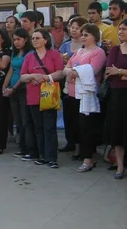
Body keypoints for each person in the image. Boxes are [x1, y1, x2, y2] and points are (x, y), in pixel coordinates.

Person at [63, 23, 106, 172]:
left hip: (86, 95)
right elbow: (66, 66)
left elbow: (93, 70)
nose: (83, 37)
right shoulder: (80, 51)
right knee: (75, 125)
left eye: (86, 35)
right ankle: (80, 151)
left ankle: (89, 158)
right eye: (82, 35)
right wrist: (69, 70)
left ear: (95, 36)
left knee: (86, 127)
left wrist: (73, 71)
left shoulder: (98, 52)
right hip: (73, 93)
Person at [20, 29, 64, 168]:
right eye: (33, 38)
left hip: (49, 96)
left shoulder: (54, 54)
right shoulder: (29, 57)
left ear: (45, 40)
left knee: (49, 127)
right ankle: (42, 155)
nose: (34, 40)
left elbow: (61, 72)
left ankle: (52, 157)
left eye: (37, 38)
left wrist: (45, 77)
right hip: (33, 96)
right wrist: (33, 76)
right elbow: (23, 76)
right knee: (38, 127)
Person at [2, 28, 33, 158]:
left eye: (19, 39)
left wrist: (13, 88)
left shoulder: (30, 54)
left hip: (23, 89)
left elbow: (24, 74)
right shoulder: (15, 54)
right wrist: (4, 86)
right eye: (14, 39)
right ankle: (22, 147)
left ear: (25, 39)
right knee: (18, 120)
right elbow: (11, 70)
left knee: (26, 120)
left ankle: (29, 149)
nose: (16, 42)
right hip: (12, 90)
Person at [59, 16, 86, 153]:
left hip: (81, 83)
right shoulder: (65, 45)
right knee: (68, 115)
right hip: (66, 82)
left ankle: (81, 145)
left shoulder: (86, 44)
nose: (73, 30)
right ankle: (70, 142)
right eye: (71, 27)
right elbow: (59, 62)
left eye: (77, 27)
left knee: (79, 116)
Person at [105, 19, 127, 179]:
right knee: (118, 130)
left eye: (124, 29)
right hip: (117, 95)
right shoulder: (115, 50)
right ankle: (119, 165)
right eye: (120, 29)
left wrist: (119, 71)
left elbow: (115, 71)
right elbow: (109, 72)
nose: (120, 32)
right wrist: (122, 73)